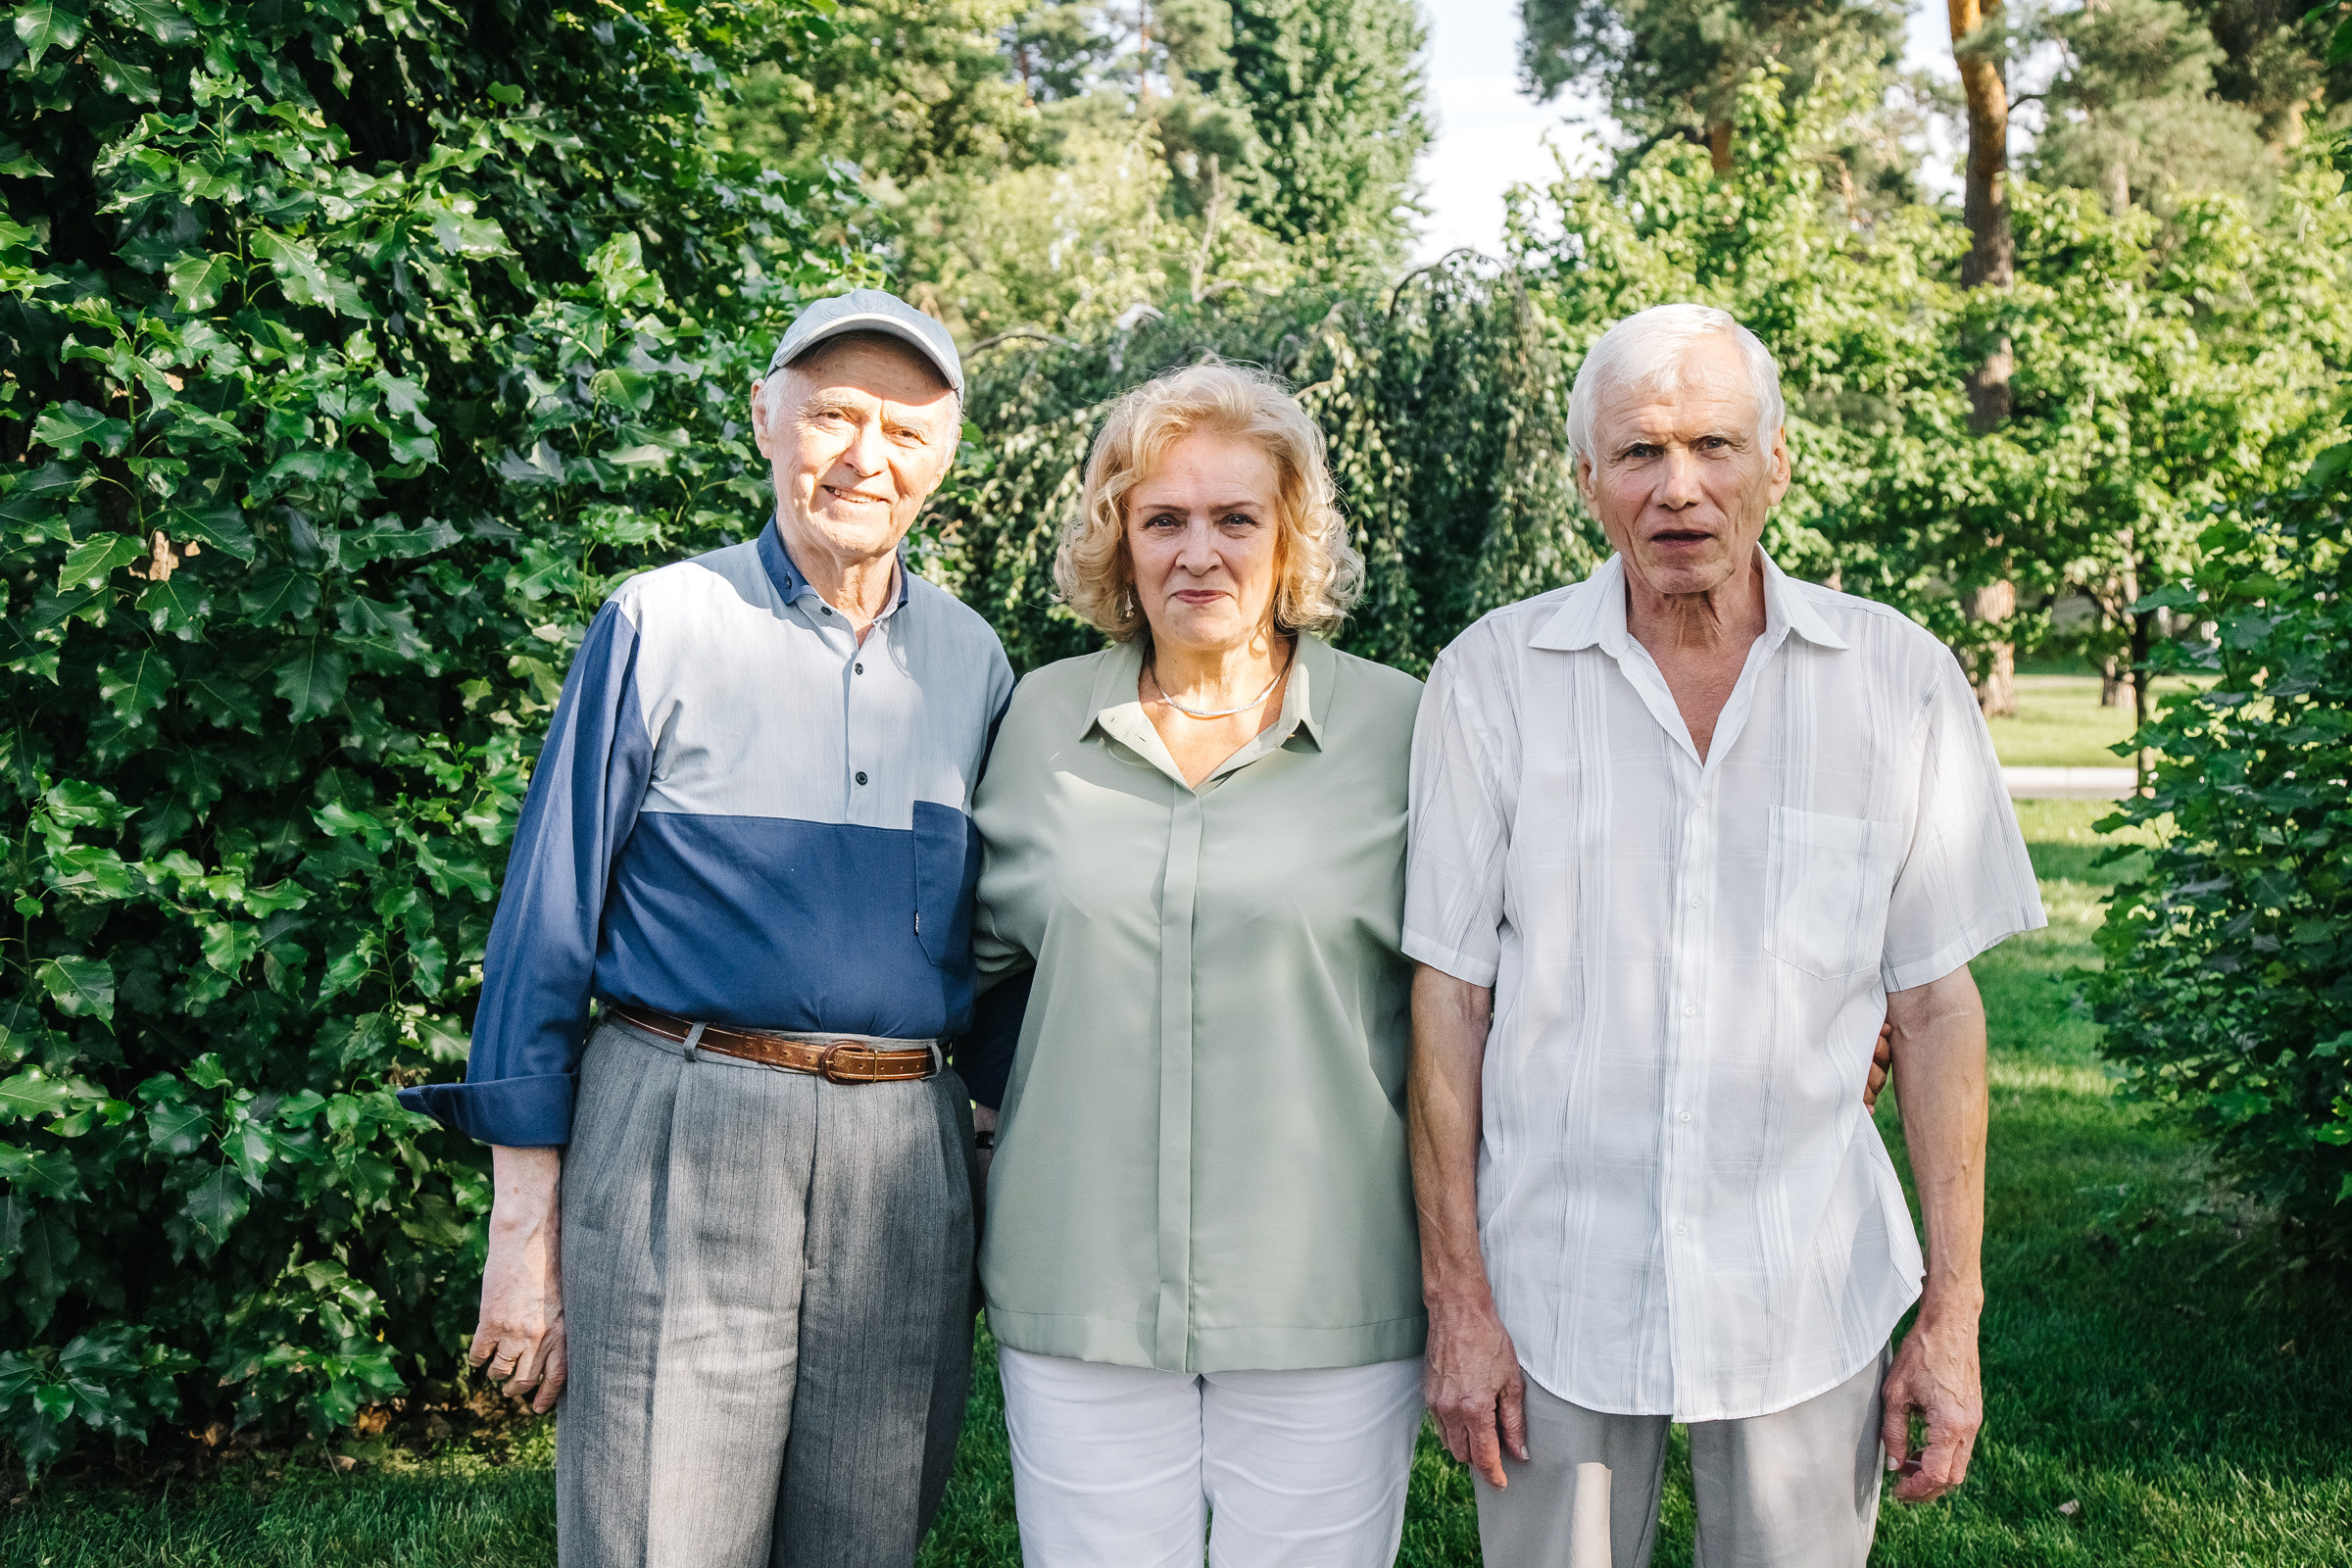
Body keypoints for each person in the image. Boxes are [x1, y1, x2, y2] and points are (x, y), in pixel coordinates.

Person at [1405, 303, 2045, 1566]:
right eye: (1639, 453)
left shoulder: (1898, 679)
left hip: (1804, 1279)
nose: (1680, 488)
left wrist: (1952, 1316)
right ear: (1586, 478)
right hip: (1555, 1281)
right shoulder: (1490, 679)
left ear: (1778, 460)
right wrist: (1459, 1299)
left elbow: (1934, 1008)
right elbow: (1448, 1001)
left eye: (1715, 444)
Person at [398, 290, 1014, 1568]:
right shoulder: (659, 621)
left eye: (904, 428)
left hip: (903, 1161)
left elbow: (995, 952)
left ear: (946, 452)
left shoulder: (977, 663)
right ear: (764, 418)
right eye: (833, 416)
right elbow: (543, 932)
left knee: (867, 1540)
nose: (865, 456)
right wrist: (522, 1247)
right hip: (684, 1120)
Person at [961, 363, 1429, 1568]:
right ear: (1117, 540)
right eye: (1162, 518)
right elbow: (966, 964)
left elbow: (1511, 967)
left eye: (1236, 519)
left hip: (1329, 1284)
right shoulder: (1032, 722)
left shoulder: (1406, 730)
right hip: (1080, 1283)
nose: (1198, 553)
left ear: (1291, 540)